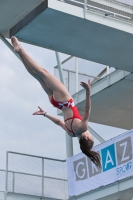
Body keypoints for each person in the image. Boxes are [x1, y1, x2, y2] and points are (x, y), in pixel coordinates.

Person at [11, 36, 101, 167]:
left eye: (91, 137)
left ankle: (21, 50)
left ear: (87, 138)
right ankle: (20, 52)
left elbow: (87, 109)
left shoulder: (83, 127)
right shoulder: (71, 133)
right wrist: (45, 114)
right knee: (37, 76)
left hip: (65, 99)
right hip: (56, 103)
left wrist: (88, 91)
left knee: (43, 72)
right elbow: (59, 122)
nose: (90, 135)